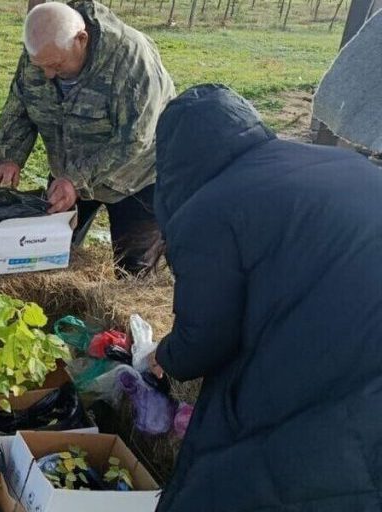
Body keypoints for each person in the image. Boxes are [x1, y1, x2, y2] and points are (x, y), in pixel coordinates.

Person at [150, 84, 382, 511]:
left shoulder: (209, 210)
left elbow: (205, 339)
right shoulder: (335, 159)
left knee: (248, 470)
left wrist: (166, 355)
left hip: (331, 382)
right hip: (357, 339)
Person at [0, 0, 175, 277]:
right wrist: (8, 155)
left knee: (134, 272)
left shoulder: (131, 58)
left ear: (81, 39)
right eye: (41, 66)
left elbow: (135, 139)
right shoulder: (42, 49)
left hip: (137, 179)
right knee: (50, 256)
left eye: (56, 65)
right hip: (69, 174)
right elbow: (22, 103)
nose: (48, 74)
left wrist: (76, 178)